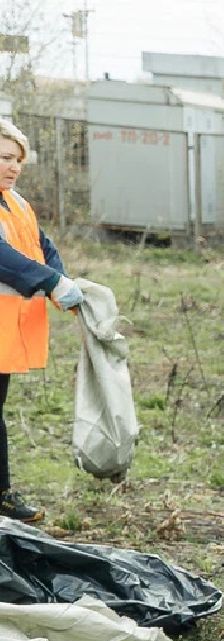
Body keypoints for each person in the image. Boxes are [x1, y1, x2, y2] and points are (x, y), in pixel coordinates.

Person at [0, 118, 83, 523]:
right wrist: (50, 281)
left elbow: (40, 247)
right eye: (3, 158)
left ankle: (1, 496)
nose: (12, 167)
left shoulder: (17, 203)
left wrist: (60, 280)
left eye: (17, 160)